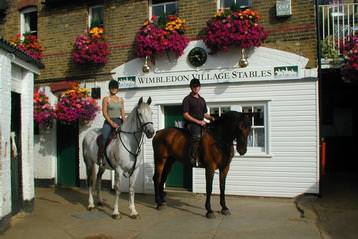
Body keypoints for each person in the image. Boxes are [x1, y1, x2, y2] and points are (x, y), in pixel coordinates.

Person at [182, 78, 214, 167]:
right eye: (194, 87)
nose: (196, 88)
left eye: (198, 86)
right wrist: (198, 122)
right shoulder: (187, 99)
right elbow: (185, 115)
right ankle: (193, 158)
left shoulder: (202, 100)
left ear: (200, 87)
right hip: (191, 123)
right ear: (191, 87)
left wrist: (211, 117)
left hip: (201, 122)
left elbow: (204, 114)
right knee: (197, 136)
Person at [98, 80, 126, 166]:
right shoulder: (106, 99)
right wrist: (111, 123)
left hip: (119, 120)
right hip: (109, 121)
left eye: (115, 87)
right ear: (110, 88)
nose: (114, 89)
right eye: (112, 87)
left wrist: (125, 122)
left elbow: (122, 113)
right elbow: (104, 113)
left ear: (117, 89)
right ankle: (101, 157)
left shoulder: (121, 100)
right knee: (104, 137)